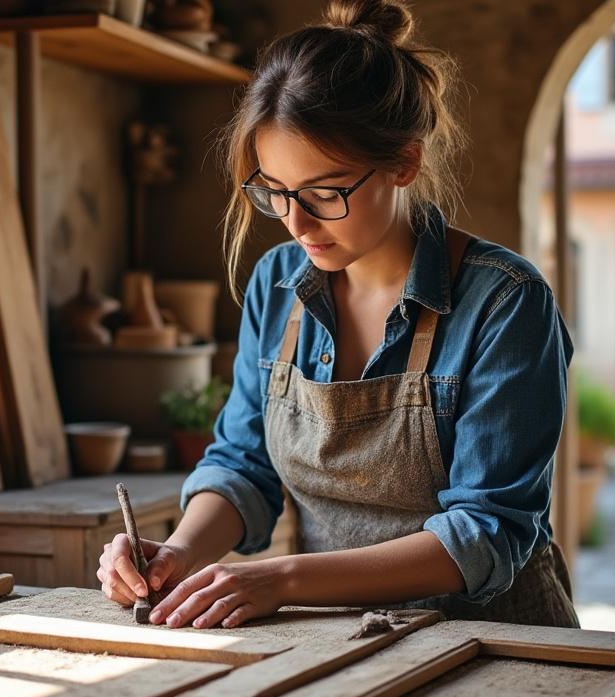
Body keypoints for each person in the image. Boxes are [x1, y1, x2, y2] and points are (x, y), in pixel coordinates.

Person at [97, 0, 578, 630]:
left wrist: (285, 577)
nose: (297, 223)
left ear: (404, 161)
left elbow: (486, 531)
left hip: (496, 644)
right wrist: (179, 553)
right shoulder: (277, 285)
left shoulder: (507, 303)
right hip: (337, 637)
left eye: (325, 193)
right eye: (276, 193)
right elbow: (244, 463)